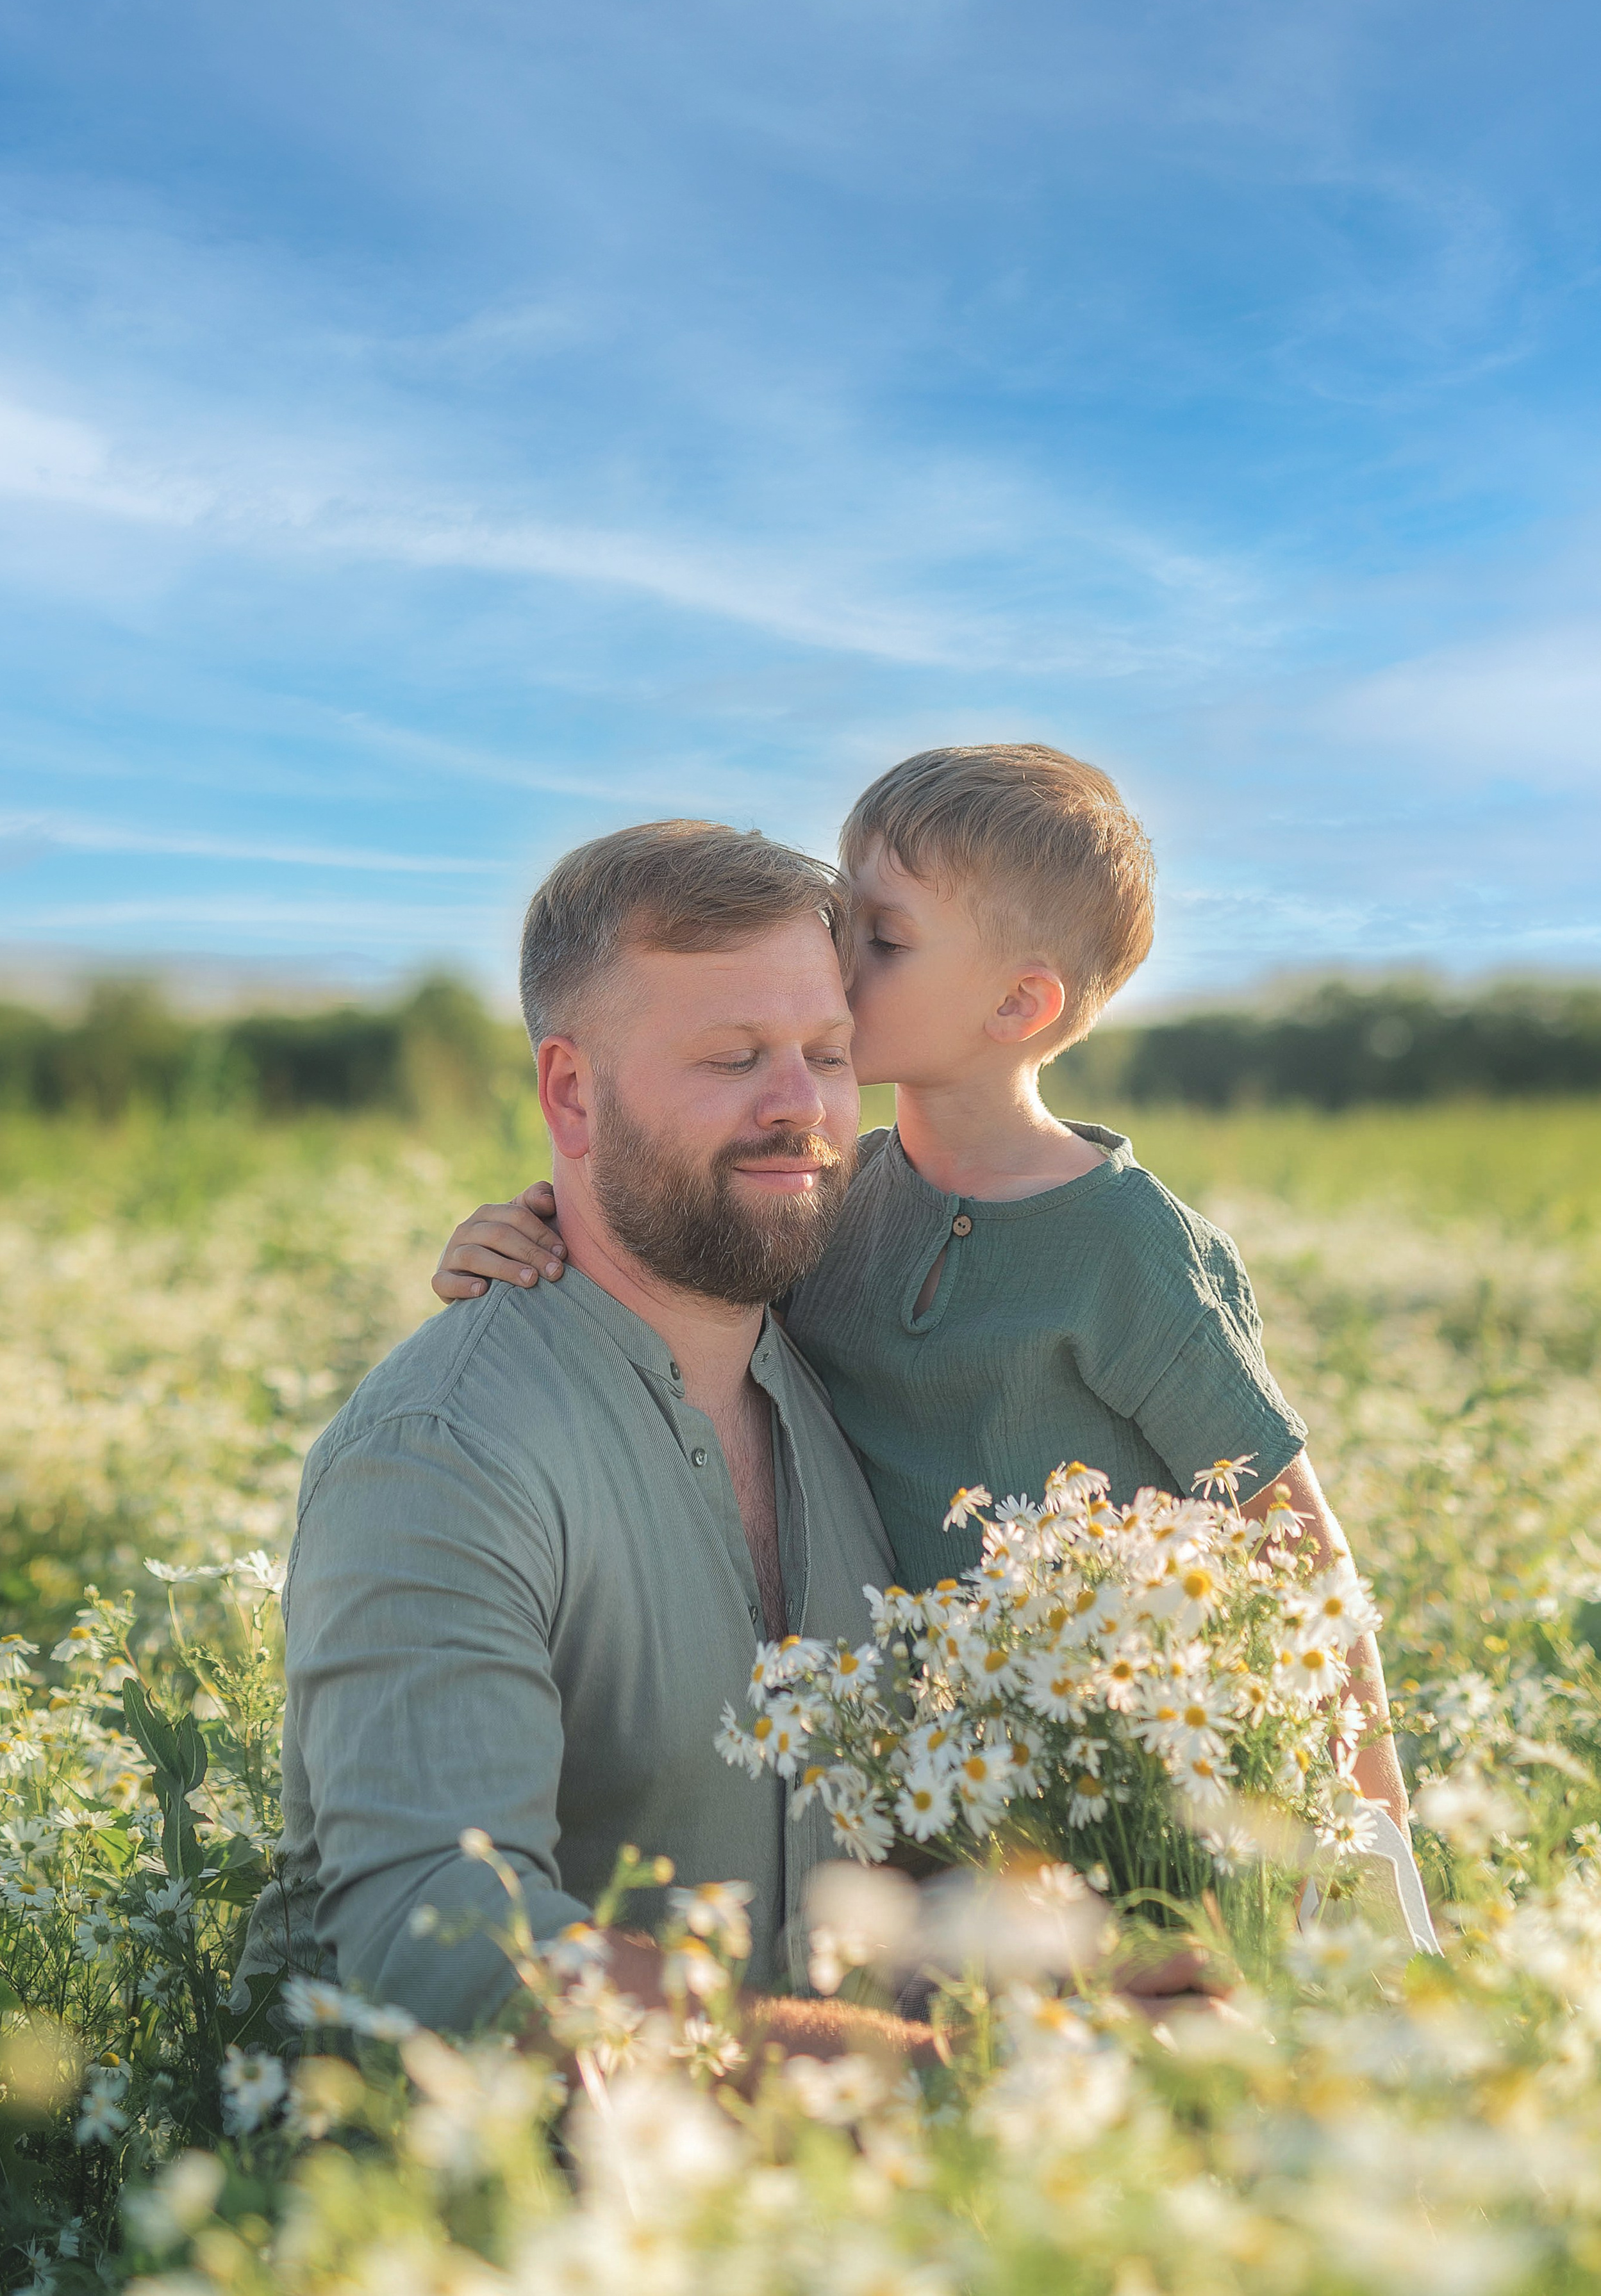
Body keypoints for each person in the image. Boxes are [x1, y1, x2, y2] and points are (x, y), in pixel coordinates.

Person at [435, 745, 1409, 1834]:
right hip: (907, 1800)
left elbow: (1296, 1542)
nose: (839, 962)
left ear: (1018, 1003)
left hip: (1132, 1798)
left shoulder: (1127, 1243)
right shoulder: (833, 1190)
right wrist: (528, 1231)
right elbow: (672, 1250)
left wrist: (1369, 1850)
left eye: (885, 940)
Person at [238, 820, 918, 2050]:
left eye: (828, 1052)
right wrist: (904, 2070)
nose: (800, 1106)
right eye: (731, 1057)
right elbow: (444, 1937)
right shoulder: (444, 1451)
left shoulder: (852, 1360)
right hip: (484, 2209)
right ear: (570, 1093)